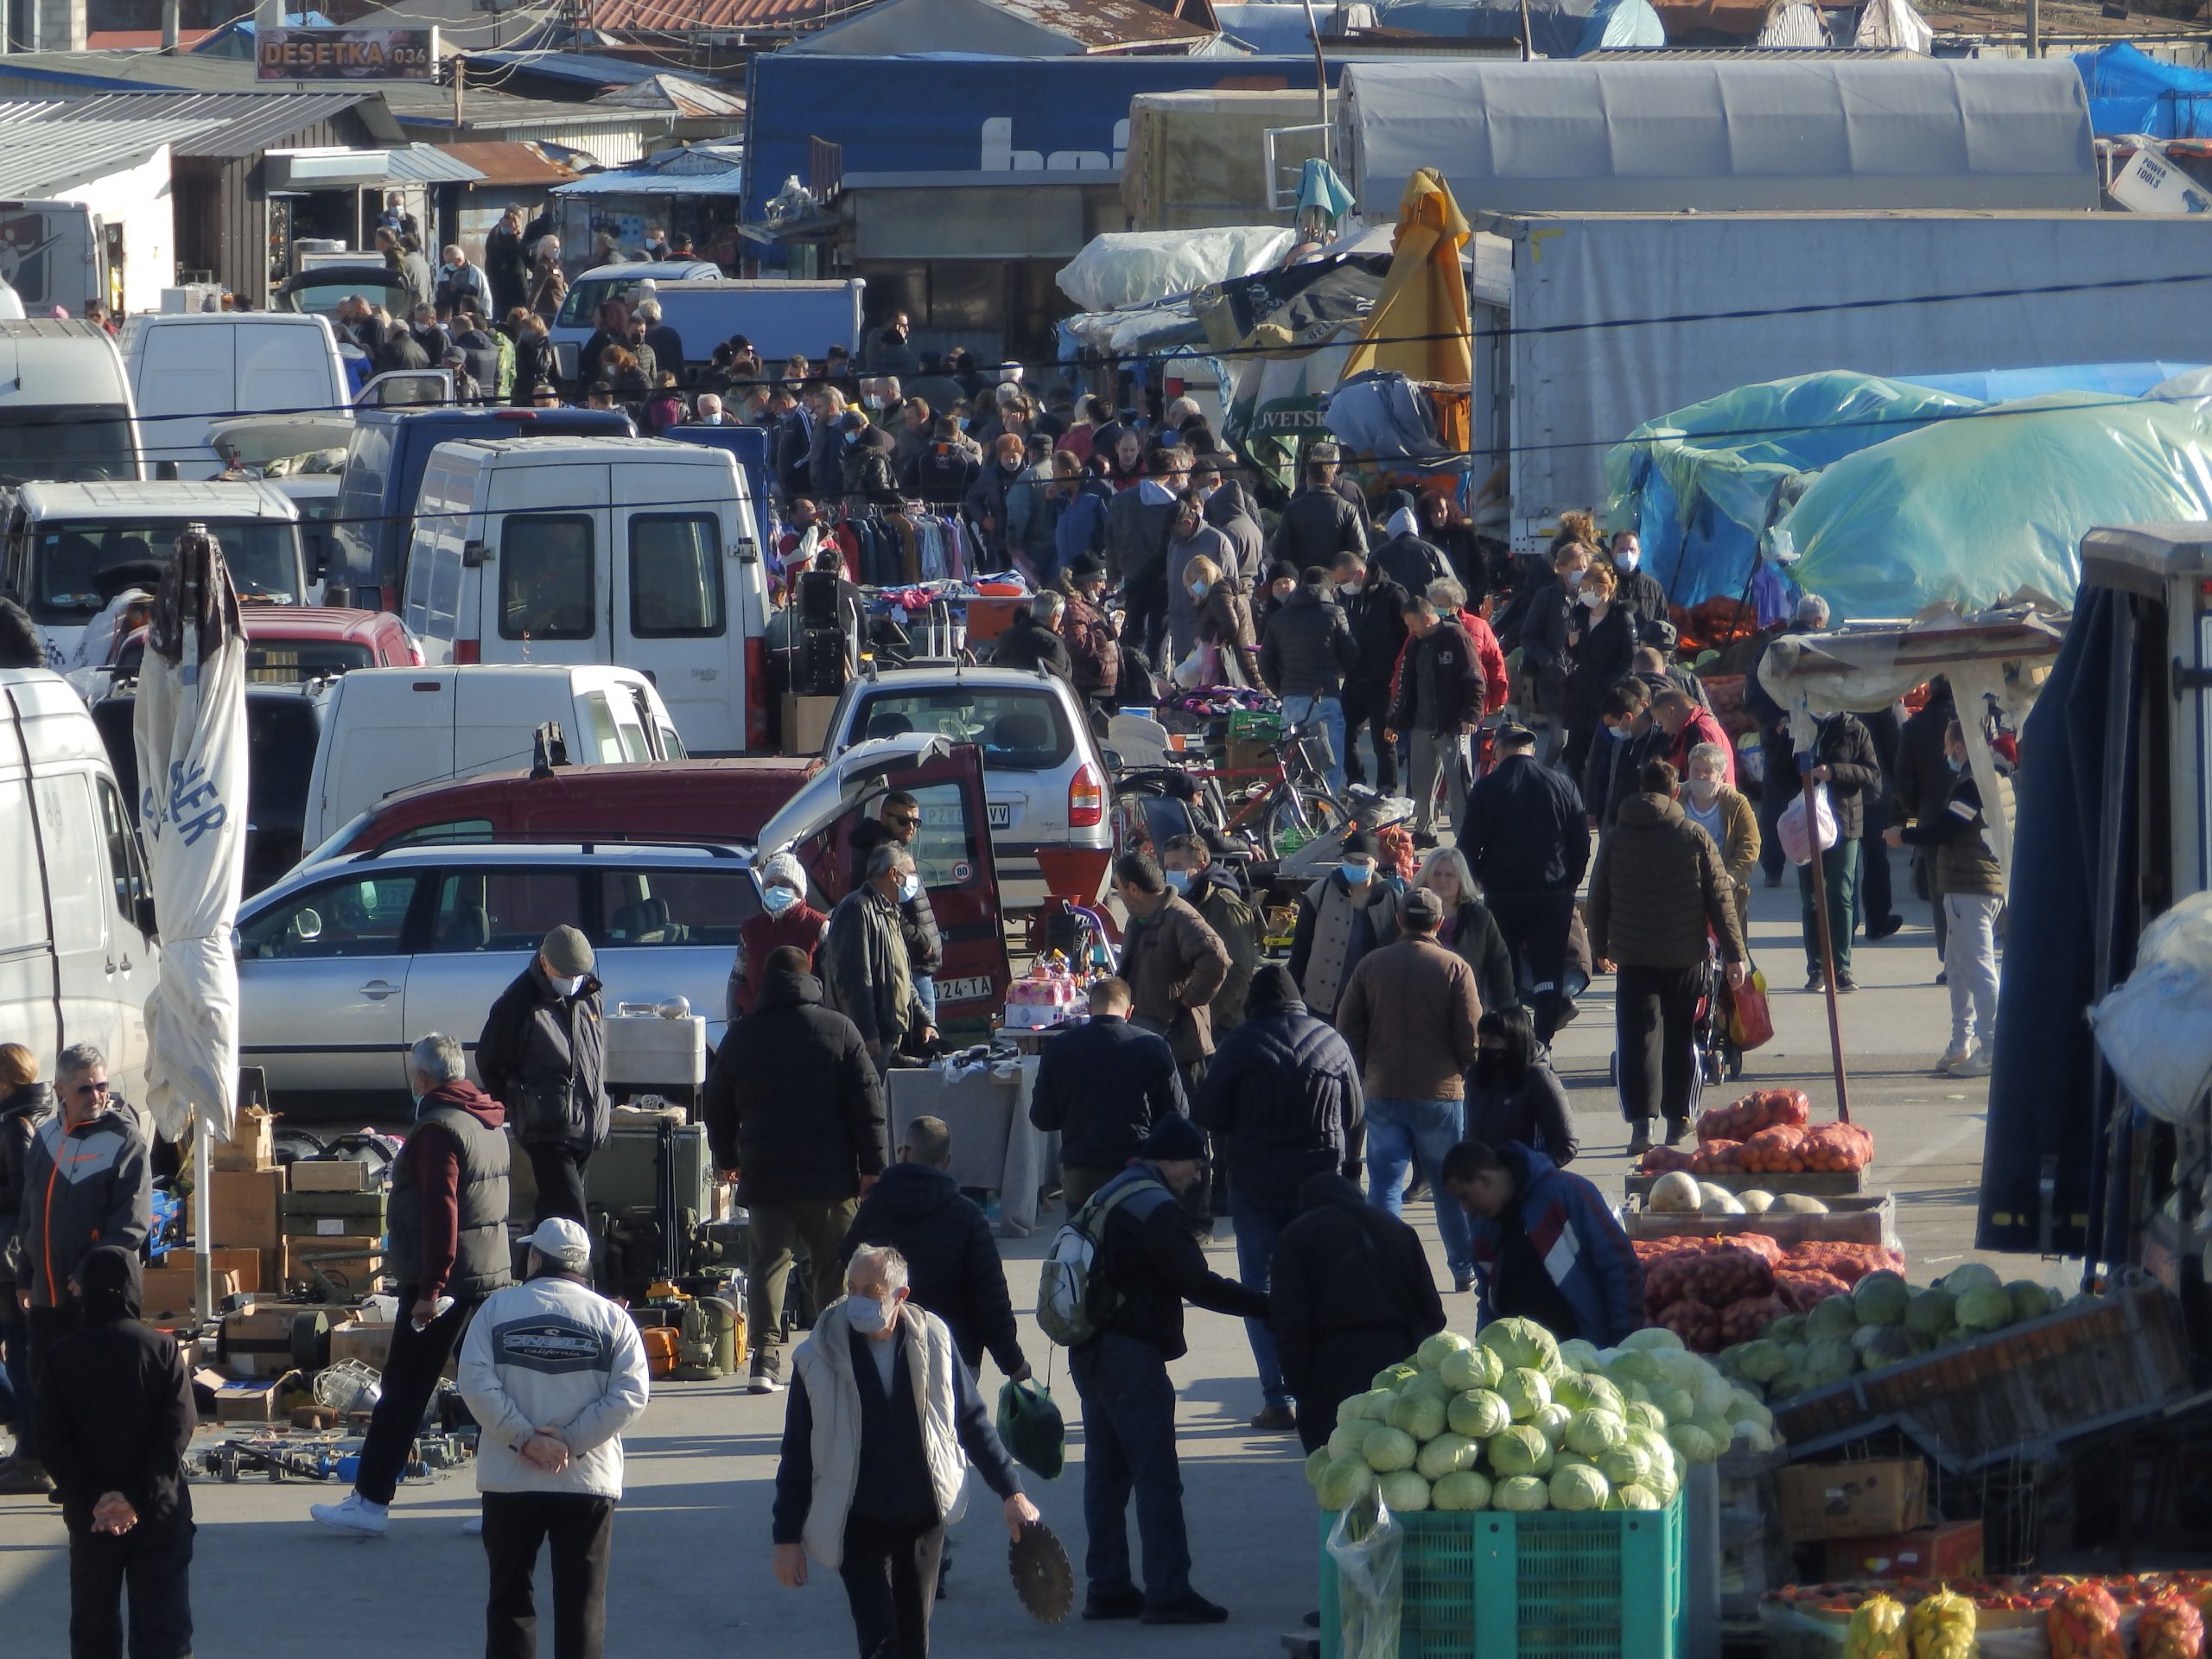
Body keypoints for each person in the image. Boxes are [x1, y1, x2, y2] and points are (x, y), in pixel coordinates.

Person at [772, 1245, 1040, 1657]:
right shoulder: (817, 1357)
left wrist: (1012, 1491)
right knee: (880, 1642)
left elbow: (971, 1421)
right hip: (857, 1520)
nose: (858, 1299)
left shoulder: (935, 1341)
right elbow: (797, 1452)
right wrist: (786, 1538)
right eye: (852, 1288)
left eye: (871, 1290)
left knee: (914, 1642)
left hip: (922, 1518)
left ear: (901, 1296)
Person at [1066, 1116, 1269, 1624]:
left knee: (1106, 1477)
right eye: (1195, 1166)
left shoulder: (1113, 1191)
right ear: (1169, 1159)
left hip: (1089, 1348)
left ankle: (1108, 1587)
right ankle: (1168, 1591)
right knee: (1156, 1477)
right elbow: (1197, 1283)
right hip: (1130, 1355)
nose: (1198, 1177)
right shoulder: (1154, 1206)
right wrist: (1267, 1306)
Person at [314, 1035, 512, 1536]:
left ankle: (369, 1502)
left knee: (403, 1391)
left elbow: (442, 1214)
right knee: (490, 1392)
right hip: (488, 1275)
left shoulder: (437, 1129)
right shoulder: (487, 1120)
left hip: (444, 1283)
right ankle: (507, 1504)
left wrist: (429, 1290)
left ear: (422, 1078)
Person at [460, 1216, 650, 1659]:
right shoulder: (613, 1319)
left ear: (535, 1258)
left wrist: (525, 1438)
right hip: (586, 1481)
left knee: (510, 1598)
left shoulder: (496, 1311)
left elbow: (475, 1382)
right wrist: (570, 1442)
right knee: (582, 1603)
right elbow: (631, 1394)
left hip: (510, 1479)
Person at [705, 945, 888, 1395]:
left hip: (766, 1175)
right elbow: (868, 1104)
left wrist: (728, 1158)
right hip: (831, 1178)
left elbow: (716, 1105)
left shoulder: (742, 1035)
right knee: (832, 1267)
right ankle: (836, 1354)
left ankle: (764, 1360)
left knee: (768, 1265)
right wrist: (873, 1167)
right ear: (811, 977)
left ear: (766, 981)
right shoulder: (839, 1029)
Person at [1192, 965, 1363, 1431]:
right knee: (1324, 1285)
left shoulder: (1239, 1044)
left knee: (1260, 1289)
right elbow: (1355, 1114)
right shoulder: (1331, 1040)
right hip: (1322, 1184)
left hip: (1257, 1183)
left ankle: (1279, 1397)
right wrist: (1352, 1171)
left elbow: (1208, 1112)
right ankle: (1325, 1389)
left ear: (1255, 1002)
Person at [35, 1247, 195, 1659]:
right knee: (164, 1632)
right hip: (159, 1513)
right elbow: (178, 1429)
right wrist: (137, 1498)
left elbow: (50, 1439)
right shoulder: (163, 1349)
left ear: (86, 1289)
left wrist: (95, 1499)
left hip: (92, 1516)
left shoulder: (60, 1355)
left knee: (93, 1630)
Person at [1585, 760, 1749, 1153]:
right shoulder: (1693, 835)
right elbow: (1720, 900)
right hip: (1685, 955)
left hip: (1633, 957)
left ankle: (1642, 1126)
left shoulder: (1617, 837)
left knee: (1637, 1040)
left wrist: (1600, 947)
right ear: (1676, 792)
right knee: (1682, 1038)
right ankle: (1680, 1120)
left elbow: (1598, 896)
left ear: (1640, 789)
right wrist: (1734, 954)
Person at [13, 1043, 149, 1494]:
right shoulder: (46, 1137)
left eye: (102, 1086)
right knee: (49, 1386)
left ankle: (102, 1479)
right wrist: (25, 1276)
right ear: (60, 1090)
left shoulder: (124, 1139)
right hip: (47, 1294)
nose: (97, 1096)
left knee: (98, 1391)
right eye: (85, 1088)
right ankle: (63, 1472)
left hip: (97, 1295)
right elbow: (31, 1214)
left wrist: (90, 1272)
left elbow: (130, 1222)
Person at [1337, 887, 1484, 1291]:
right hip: (1440, 1091)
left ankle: (1383, 1266)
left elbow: (1347, 1025)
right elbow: (1470, 1034)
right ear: (1439, 923)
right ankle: (1462, 1268)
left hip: (1383, 1088)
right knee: (1449, 1186)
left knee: (1384, 1184)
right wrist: (1462, 1069)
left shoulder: (1371, 965)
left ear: (1399, 920)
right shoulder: (1454, 967)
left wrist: (1367, 1067)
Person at [840, 1116, 1029, 1384]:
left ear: (904, 1153)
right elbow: (990, 1298)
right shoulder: (968, 1216)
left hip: (881, 1352)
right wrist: (1013, 1363)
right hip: (953, 1357)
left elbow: (846, 1260)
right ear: (946, 1162)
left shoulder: (872, 1209)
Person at [1269, 1171, 1446, 1453]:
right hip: (1398, 1359)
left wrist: (1297, 1381)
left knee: (1335, 1461)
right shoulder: (1397, 1229)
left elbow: (1290, 1320)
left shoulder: (1297, 1236)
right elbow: (1433, 1313)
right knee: (1397, 1458)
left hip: (1330, 1365)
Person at [1886, 719, 2006, 1074]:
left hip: (1970, 885)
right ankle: (1960, 1043)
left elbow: (1947, 828)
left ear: (1960, 745)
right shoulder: (1994, 775)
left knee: (1979, 969)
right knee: (1957, 969)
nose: (1944, 753)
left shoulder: (1973, 782)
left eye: (1947, 745)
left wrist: (1904, 836)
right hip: (1978, 883)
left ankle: (1992, 1048)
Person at [1459, 724, 1591, 1041]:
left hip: (1503, 893)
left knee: (1506, 969)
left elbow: (1468, 845)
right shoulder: (1562, 784)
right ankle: (1543, 1041)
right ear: (1531, 750)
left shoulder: (1486, 788)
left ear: (1499, 750)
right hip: (1552, 893)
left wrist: (1477, 877)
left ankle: (1513, 1037)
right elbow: (1581, 841)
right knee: (1549, 970)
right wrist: (1570, 882)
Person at [1443, 1139, 1643, 1346]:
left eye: (1464, 1196)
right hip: (1520, 1360)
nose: (1465, 1208)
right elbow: (1487, 1299)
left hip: (1585, 1352)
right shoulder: (1483, 1230)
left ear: (1483, 1179)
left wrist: (1621, 1340)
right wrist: (1483, 1344)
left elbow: (1620, 1267)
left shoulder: (1567, 1193)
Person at [477, 926, 607, 1227]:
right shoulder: (519, 1003)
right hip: (547, 1128)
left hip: (584, 1124)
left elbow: (595, 1056)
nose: (572, 981)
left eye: (578, 975)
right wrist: (517, 1104)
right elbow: (491, 1061)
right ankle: (571, 1261)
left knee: (552, 1216)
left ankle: (532, 1257)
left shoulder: (590, 994)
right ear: (544, 962)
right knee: (572, 1221)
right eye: (565, 974)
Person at [1029, 978, 1187, 1212]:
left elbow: (1042, 1118)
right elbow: (1178, 1113)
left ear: (1089, 1008)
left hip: (1081, 1168)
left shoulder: (1059, 1046)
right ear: (1130, 1011)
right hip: (1137, 1168)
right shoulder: (1154, 1046)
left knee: (1083, 1233)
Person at [1113, 852, 1231, 1099]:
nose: (1118, 895)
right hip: (1148, 1041)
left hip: (1182, 1050)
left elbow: (1216, 956)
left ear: (1133, 889)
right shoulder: (1139, 919)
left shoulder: (1180, 916)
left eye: (1119, 888)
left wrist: (1189, 1000)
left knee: (1187, 1118)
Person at [824, 844, 937, 1073]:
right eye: (911, 874)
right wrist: (867, 1032)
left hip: (892, 1034)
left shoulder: (889, 911)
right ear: (893, 874)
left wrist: (924, 1020)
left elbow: (901, 976)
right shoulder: (857, 909)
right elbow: (852, 979)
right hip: (871, 1040)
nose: (914, 881)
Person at [1797, 708, 1883, 993]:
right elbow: (1776, 773)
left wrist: (1834, 771)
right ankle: (1817, 969)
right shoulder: (1798, 724)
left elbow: (1871, 773)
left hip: (1844, 821)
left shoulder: (1854, 728)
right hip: (1805, 821)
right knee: (1811, 899)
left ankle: (1841, 967)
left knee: (1839, 893)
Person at [1256, 565, 1360, 796]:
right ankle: (1328, 813)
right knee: (1330, 768)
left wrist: (1283, 689)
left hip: (1292, 700)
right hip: (1326, 697)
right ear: (1330, 590)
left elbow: (1264, 662)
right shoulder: (1334, 613)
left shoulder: (1280, 617)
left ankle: (1290, 817)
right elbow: (1352, 656)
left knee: (1293, 769)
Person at [1388, 594, 1483, 842]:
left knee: (1459, 785)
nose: (1410, 630)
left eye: (1413, 625)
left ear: (1427, 619)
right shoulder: (1415, 643)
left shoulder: (1457, 637)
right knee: (1421, 783)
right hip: (1422, 725)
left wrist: (1471, 715)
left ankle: (1464, 836)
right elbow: (1405, 686)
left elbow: (1474, 679)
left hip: (1452, 726)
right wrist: (1394, 721)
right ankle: (1424, 829)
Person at [1287, 829, 1403, 1022]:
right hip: (1320, 1004)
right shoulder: (1320, 892)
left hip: (1369, 1007)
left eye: (1363, 862)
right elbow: (1301, 949)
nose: (1355, 866)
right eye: (1349, 860)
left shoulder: (1391, 899)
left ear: (1376, 863)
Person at [0, 1044, 49, 1486]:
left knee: (18, 1355)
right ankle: (27, 1447)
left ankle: (33, 1455)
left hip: (11, 1259)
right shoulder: (19, 1119)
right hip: (13, 1256)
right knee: (17, 1355)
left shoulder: (17, 1125)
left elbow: (22, 1194)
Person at [1159, 835, 1259, 1037]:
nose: (1171, 873)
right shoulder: (1181, 901)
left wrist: (1203, 1018)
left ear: (1201, 865)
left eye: (1177, 866)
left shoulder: (1225, 905)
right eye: (1167, 867)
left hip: (1221, 1025)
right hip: (1188, 1021)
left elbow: (1238, 971)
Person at [1331, 551, 1409, 796]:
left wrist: (1398, 675)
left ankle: (1387, 790)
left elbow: (1407, 639)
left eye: (1344, 581)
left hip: (1383, 681)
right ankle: (1356, 783)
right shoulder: (1349, 597)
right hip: (1355, 678)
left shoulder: (1392, 594)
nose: (1342, 587)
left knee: (1383, 740)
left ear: (1359, 573)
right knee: (1344, 733)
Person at [1894, 676, 1960, 961]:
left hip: (1932, 815)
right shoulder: (1974, 718)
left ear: (1930, 690)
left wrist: (1915, 811)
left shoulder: (1914, 727)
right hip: (1976, 819)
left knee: (1940, 891)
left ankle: (1948, 959)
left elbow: (1903, 779)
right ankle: (1973, 958)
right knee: (1976, 891)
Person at [1465, 1007, 1577, 1165]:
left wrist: (1523, 1168)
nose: (1485, 1047)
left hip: (1527, 1175)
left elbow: (1566, 1145)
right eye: (1482, 1039)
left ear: (1515, 1042)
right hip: (1483, 1174)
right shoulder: (1476, 1075)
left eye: (1493, 1040)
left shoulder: (1539, 1080)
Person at [1104, 446, 1185, 663]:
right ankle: (1153, 675)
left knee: (1133, 632)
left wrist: (1113, 575)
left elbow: (1110, 539)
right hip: (1164, 578)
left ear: (1147, 467)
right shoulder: (1176, 506)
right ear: (1171, 473)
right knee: (1158, 636)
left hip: (1131, 576)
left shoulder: (1121, 500)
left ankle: (1132, 671)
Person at [1415, 845, 1516, 1019]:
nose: (1442, 880)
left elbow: (1500, 966)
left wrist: (1504, 1011)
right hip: (1421, 1012)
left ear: (1461, 879)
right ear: (1426, 878)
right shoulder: (1411, 913)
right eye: (1436, 874)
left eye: (1449, 875)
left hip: (1468, 1010)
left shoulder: (1479, 918)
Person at [1561, 562, 1640, 783]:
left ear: (1603, 589)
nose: (1583, 594)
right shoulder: (1580, 615)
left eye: (1587, 589)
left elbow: (1629, 659)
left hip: (1605, 697)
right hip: (1580, 695)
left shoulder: (1622, 619)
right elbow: (1578, 655)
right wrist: (1570, 644)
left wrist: (1607, 683)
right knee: (1575, 756)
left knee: (1599, 758)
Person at [729, 851, 829, 1020]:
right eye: (771, 884)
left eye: (784, 884)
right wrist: (734, 1021)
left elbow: (832, 982)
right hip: (757, 1022)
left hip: (803, 1023)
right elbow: (737, 978)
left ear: (798, 889)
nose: (776, 889)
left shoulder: (819, 926)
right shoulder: (751, 928)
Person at [1517, 542, 1592, 767]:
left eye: (1583, 566)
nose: (1580, 571)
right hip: (1553, 681)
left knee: (1582, 746)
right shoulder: (1546, 597)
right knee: (1559, 740)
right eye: (1575, 567)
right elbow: (1528, 636)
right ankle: (1542, 772)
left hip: (1582, 682)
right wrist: (1548, 662)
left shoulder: (1590, 597)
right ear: (1561, 568)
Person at [1681, 741, 1760, 943]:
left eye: (1708, 771)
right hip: (1683, 889)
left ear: (1721, 776)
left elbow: (1750, 843)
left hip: (1723, 889)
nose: (1700, 776)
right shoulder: (1676, 799)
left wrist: (1734, 876)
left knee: (1726, 947)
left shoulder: (1736, 803)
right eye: (1696, 770)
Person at [1581, 678, 1667, 836]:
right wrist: (1596, 811)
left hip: (1643, 829)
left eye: (1611, 725)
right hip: (1613, 823)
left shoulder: (1661, 742)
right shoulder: (1619, 742)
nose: (1610, 730)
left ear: (1628, 717)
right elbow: (1601, 773)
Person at [1270, 443, 1368, 571]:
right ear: (1332, 477)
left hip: (1303, 576)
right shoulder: (1348, 507)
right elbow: (1361, 550)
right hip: (1338, 578)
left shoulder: (1293, 507)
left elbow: (1279, 551)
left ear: (1309, 478)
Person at [1182, 552, 1262, 690]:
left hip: (1232, 660)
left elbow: (1230, 625)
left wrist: (1209, 640)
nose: (1193, 588)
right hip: (1243, 655)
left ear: (1206, 575)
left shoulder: (1219, 593)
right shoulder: (1228, 590)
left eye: (1194, 582)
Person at [1058, 553, 1121, 715]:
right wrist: (1107, 633)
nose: (1103, 586)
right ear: (1089, 583)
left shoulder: (1089, 606)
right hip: (1090, 689)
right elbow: (1077, 645)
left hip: (1103, 688)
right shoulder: (1073, 608)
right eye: (1100, 581)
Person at [990, 590, 1074, 683]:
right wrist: (1058, 639)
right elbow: (1059, 680)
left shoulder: (1006, 635)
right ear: (1055, 617)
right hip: (1035, 690)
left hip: (1005, 688)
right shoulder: (1052, 643)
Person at [1607, 531, 1668, 635]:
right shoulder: (1604, 583)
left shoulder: (1652, 587)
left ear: (1639, 553)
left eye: (1632, 550)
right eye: (1622, 549)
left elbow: (1663, 624)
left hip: (1644, 643)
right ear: (1612, 552)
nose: (1627, 554)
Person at [485, 207, 530, 318]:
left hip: (515, 287)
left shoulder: (517, 241)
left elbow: (525, 259)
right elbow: (492, 259)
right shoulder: (496, 238)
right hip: (501, 287)